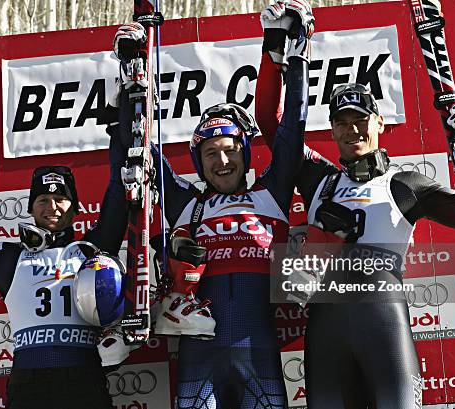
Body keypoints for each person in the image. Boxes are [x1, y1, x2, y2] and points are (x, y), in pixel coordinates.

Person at [113, 2, 314, 407]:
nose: (222, 161)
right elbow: (139, 147)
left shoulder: (270, 194)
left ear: (244, 152)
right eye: (210, 154)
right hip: (198, 359)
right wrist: (132, 83)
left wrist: (297, 56)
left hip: (259, 356)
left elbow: (293, 128)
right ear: (198, 163)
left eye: (229, 151)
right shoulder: (185, 201)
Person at [256, 47, 455, 405]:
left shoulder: (405, 183)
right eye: (342, 122)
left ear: (379, 122)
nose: (352, 130)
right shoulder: (317, 178)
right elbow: (270, 120)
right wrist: (278, 52)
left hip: (383, 325)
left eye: (360, 119)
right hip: (326, 330)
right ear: (331, 129)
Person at [0, 124, 130, 408]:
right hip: (30, 385)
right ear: (30, 209)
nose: (51, 207)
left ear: (75, 207)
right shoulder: (8, 258)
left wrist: (118, 131)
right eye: (42, 200)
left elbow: (120, 190)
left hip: (84, 380)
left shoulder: (92, 250)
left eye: (60, 199)